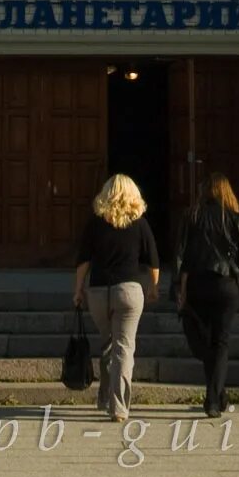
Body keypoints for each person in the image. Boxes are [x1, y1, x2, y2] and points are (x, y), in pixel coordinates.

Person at [72, 173, 159, 423]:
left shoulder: (95, 223)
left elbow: (83, 260)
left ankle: (104, 398)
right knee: (123, 347)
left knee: (109, 343)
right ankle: (118, 407)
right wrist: (153, 287)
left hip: (98, 292)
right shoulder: (140, 223)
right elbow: (152, 260)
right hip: (129, 292)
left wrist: (79, 289)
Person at [172, 171, 239, 418]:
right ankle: (216, 396)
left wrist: (177, 288)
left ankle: (213, 397)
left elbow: (179, 255)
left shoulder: (191, 216)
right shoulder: (235, 218)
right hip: (226, 286)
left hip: (198, 285)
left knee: (205, 342)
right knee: (220, 342)